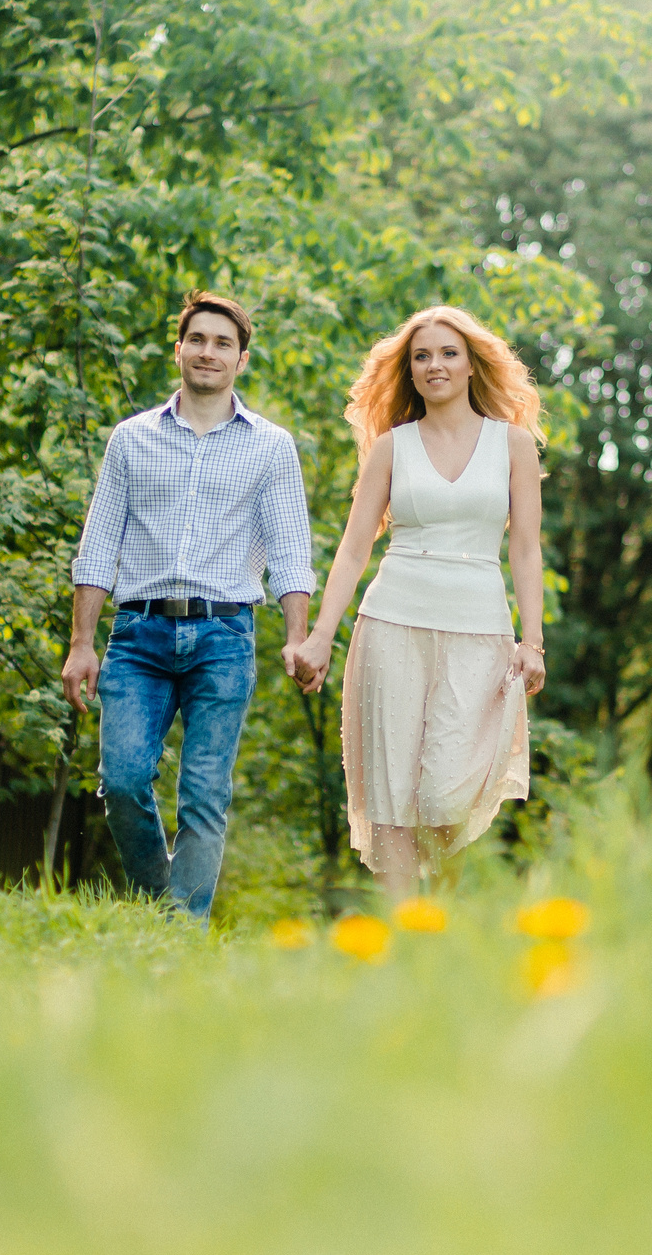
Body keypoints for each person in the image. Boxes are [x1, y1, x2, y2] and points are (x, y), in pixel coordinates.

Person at [61, 293, 317, 918]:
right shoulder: (131, 441)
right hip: (138, 636)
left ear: (242, 359)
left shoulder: (271, 447)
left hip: (224, 636)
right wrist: (82, 643)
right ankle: (161, 910)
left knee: (204, 796)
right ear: (179, 350)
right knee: (121, 783)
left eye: (222, 343)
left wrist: (299, 636)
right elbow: (98, 548)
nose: (208, 351)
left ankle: (180, 938)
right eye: (197, 340)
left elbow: (290, 549)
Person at [282, 306, 547, 896]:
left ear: (473, 364)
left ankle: (444, 929)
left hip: (479, 630)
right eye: (422, 356)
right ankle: (405, 945)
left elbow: (526, 551)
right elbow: (353, 550)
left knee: (448, 792)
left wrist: (533, 642)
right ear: (408, 370)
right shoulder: (391, 448)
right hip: (392, 624)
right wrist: (321, 635)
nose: (435, 365)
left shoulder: (514, 446)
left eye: (449, 353)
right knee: (394, 795)